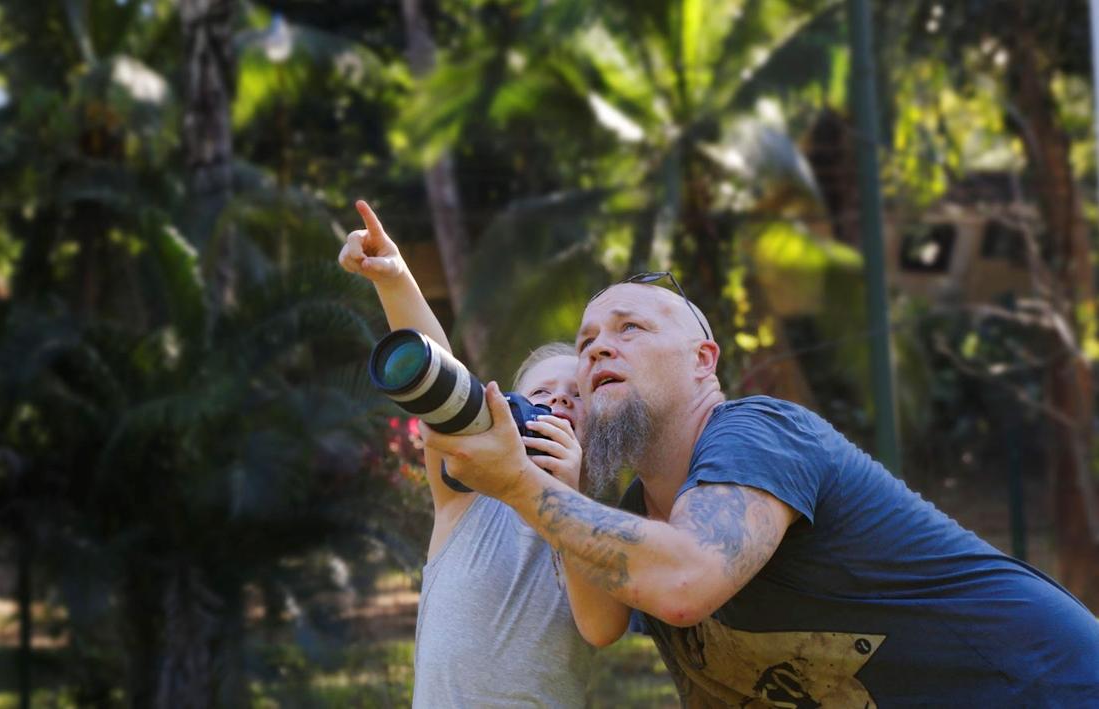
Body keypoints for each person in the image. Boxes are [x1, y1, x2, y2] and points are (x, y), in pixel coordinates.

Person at [424, 273, 1099, 706]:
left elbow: (686, 580)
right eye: (587, 339)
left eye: (630, 327)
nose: (598, 348)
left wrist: (518, 483)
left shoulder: (759, 432)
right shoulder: (635, 526)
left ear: (703, 360)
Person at [338, 200, 596, 707]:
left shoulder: (604, 526)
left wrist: (571, 495)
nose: (561, 400)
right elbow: (443, 378)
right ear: (507, 413)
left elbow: (601, 624)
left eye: (579, 395)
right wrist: (394, 279)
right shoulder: (468, 497)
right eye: (541, 394)